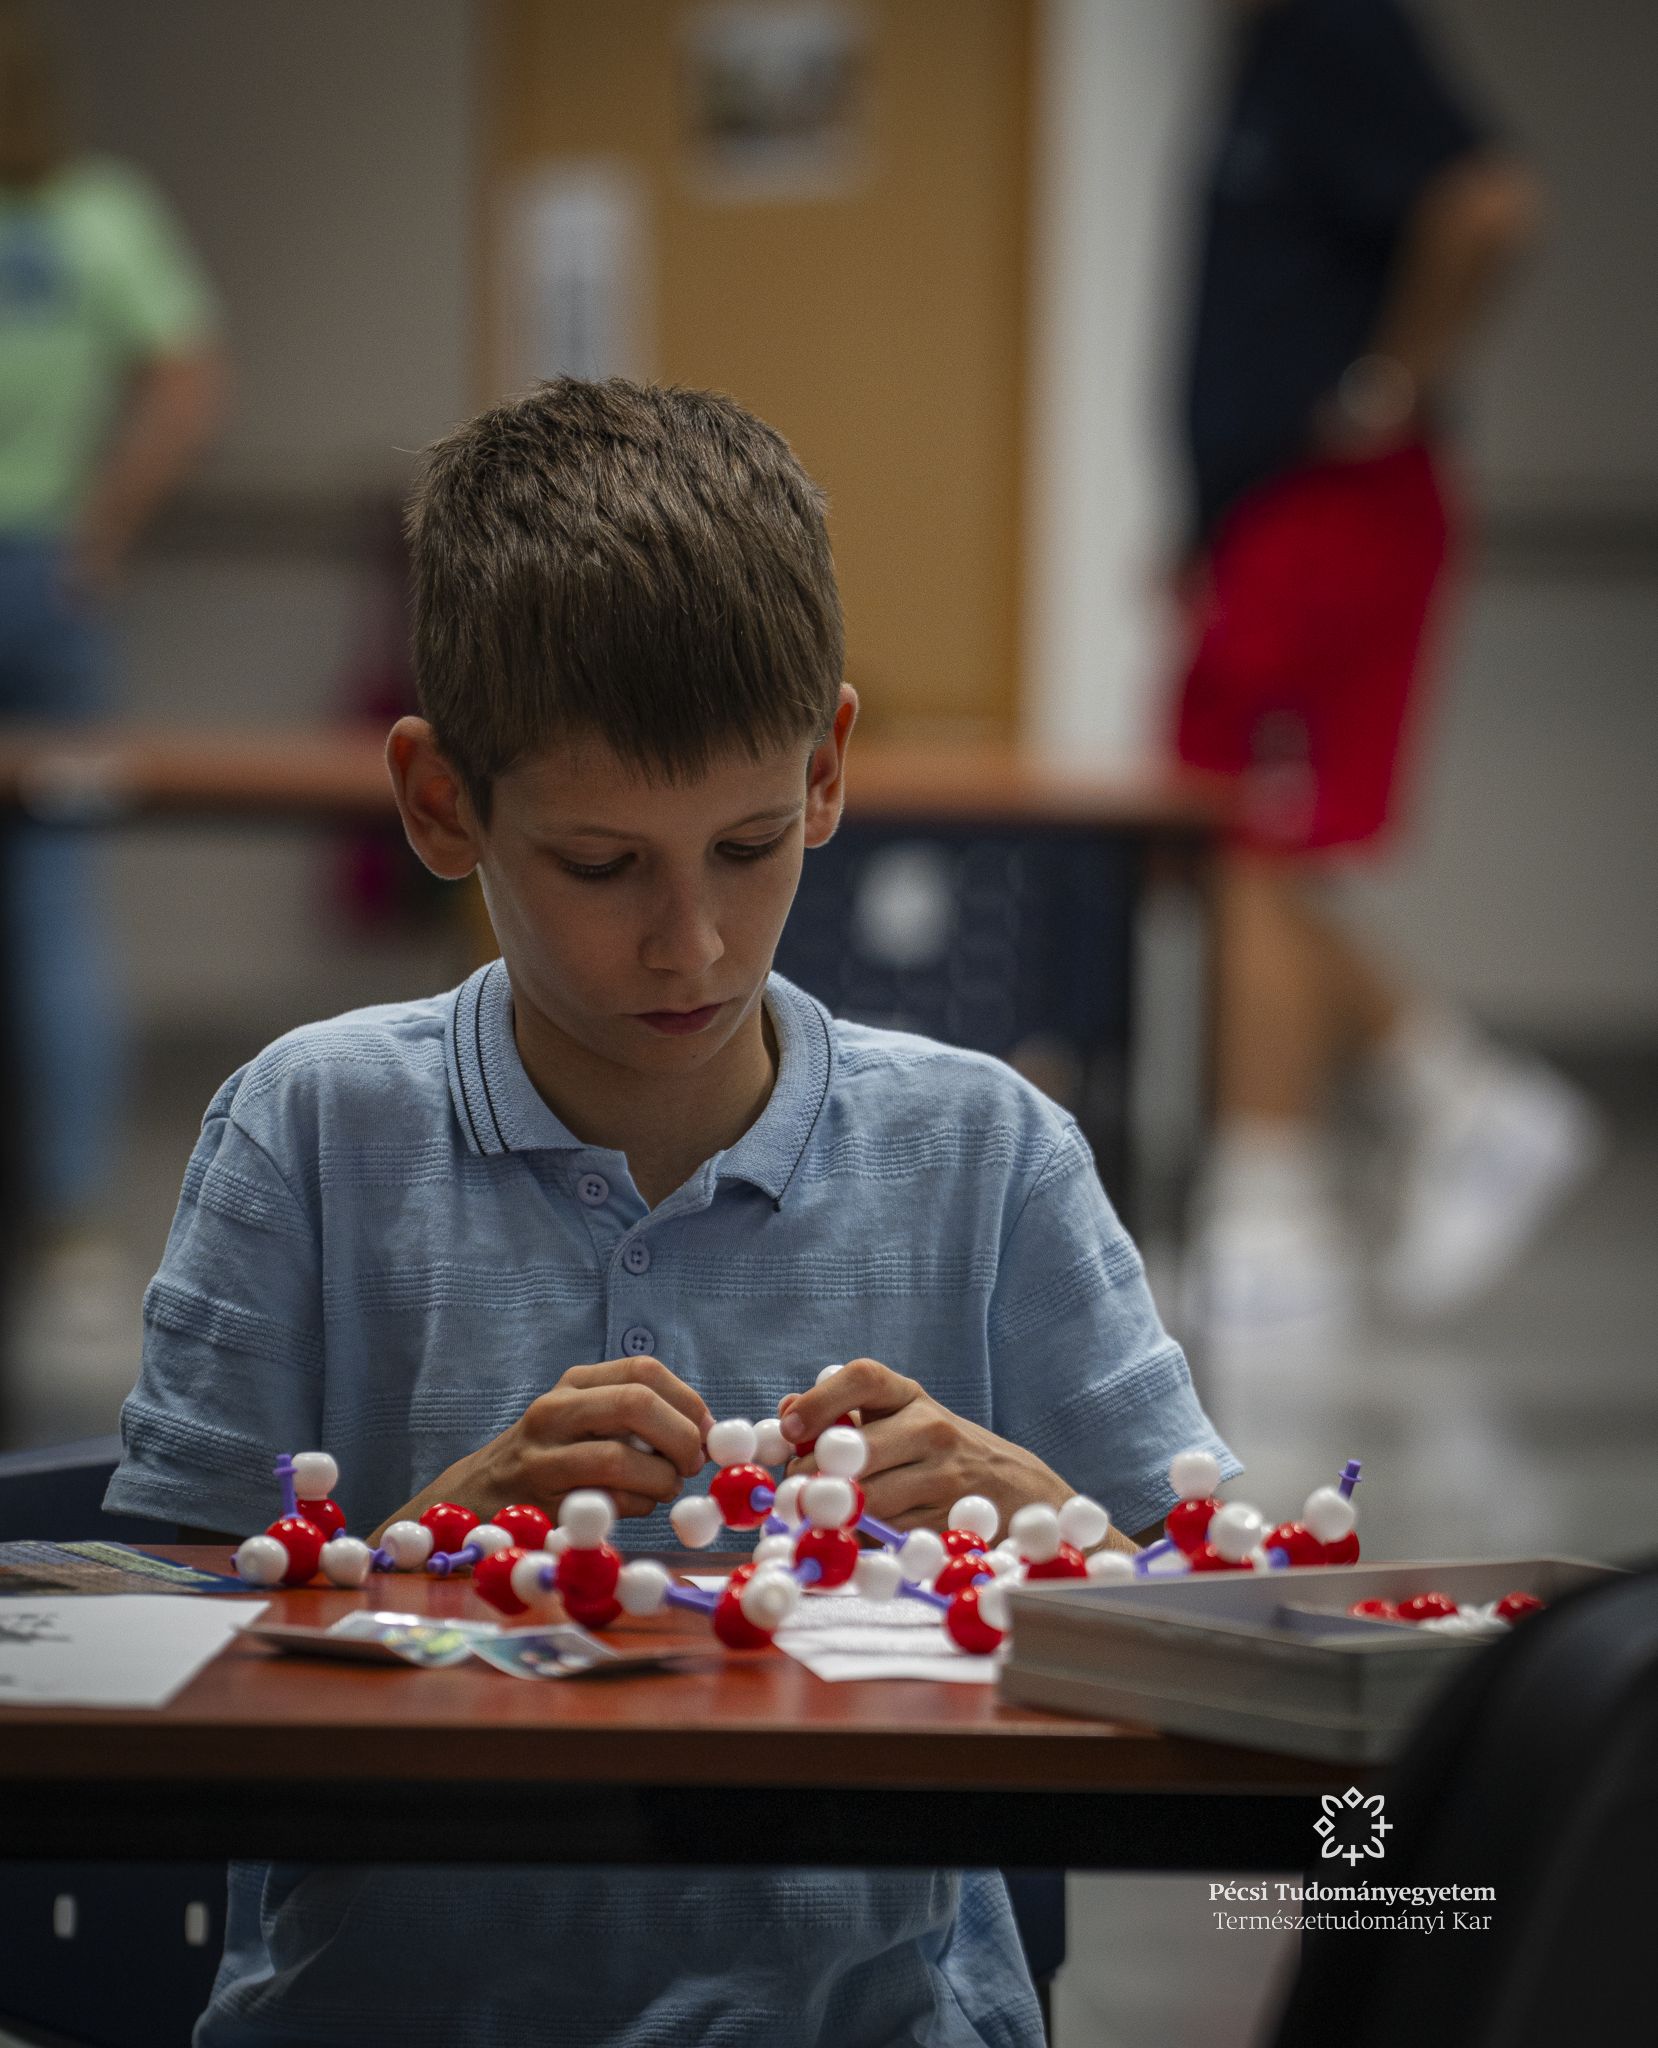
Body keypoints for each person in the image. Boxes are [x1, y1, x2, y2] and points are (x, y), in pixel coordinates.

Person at [104, 376, 1237, 2047]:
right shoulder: (312, 1132)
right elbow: (132, 1677)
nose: (689, 943)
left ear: (828, 769)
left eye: (749, 844)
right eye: (601, 864)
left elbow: (1242, 1669)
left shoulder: (985, 1156)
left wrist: (1059, 1530)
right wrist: (417, 1559)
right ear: (440, 802)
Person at [1170, 0, 1599, 1353]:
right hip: (1263, 518)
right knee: (1219, 843)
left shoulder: (1330, 22)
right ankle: (1447, 1097)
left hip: (1328, 505)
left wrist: (1386, 385)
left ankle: (1276, 1214)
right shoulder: (1259, 52)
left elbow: (1486, 203)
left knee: (1244, 837)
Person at [0, 1, 227, 1372]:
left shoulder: (97, 214)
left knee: (47, 914)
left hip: (39, 581)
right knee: (52, 904)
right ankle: (74, 1237)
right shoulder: (102, 219)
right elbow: (188, 380)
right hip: (46, 582)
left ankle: (69, 1233)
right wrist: (99, 532)